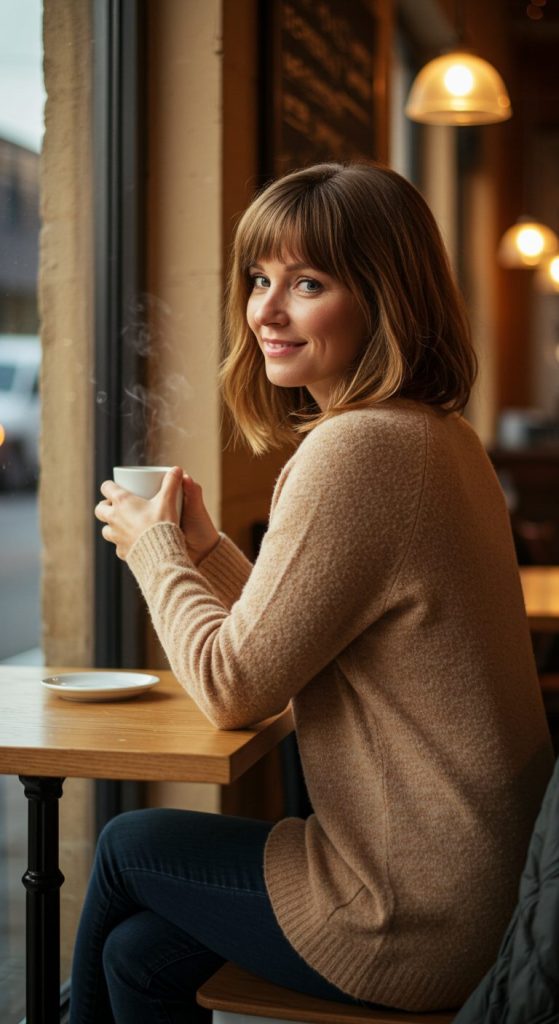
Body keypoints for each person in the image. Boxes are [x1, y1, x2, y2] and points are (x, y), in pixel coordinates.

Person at [73, 162, 554, 1023]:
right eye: (259, 279)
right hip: (474, 881)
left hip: (410, 912)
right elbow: (306, 642)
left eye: (307, 282)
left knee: (126, 843)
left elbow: (234, 688)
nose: (265, 310)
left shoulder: (357, 451)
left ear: (383, 297)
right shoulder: (434, 436)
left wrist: (153, 552)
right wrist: (204, 548)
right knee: (135, 954)